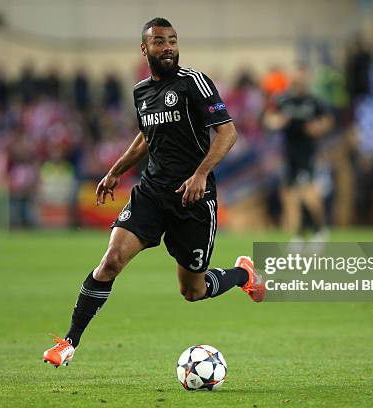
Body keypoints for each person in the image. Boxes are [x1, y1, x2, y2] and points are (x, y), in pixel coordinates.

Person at [43, 17, 265, 368]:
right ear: (145, 49)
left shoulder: (195, 83)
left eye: (173, 41)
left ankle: (243, 274)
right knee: (111, 260)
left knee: (193, 291)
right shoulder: (141, 92)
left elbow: (227, 133)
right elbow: (147, 136)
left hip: (193, 199)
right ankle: (68, 342)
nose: (168, 47)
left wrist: (201, 174)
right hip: (151, 192)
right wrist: (116, 170)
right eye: (160, 42)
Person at [264, 65, 334, 242]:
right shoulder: (283, 100)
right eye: (295, 81)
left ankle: (320, 230)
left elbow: (327, 121)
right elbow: (268, 118)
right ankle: (299, 234)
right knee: (289, 195)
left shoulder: (314, 101)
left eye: (301, 81)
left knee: (308, 192)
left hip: (307, 153)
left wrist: (318, 128)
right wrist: (277, 122)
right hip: (288, 153)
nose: (298, 84)